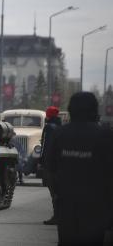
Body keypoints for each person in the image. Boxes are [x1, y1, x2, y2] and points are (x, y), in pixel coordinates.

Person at [46, 92, 113, 245]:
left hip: (67, 204)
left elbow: (50, 169)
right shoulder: (105, 135)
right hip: (96, 205)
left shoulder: (59, 134)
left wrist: (57, 194)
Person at [40, 106, 62, 225]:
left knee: (54, 191)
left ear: (49, 115)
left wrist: (42, 160)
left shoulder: (49, 128)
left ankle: (57, 216)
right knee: (59, 192)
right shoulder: (60, 127)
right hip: (60, 164)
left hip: (51, 164)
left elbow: (45, 146)